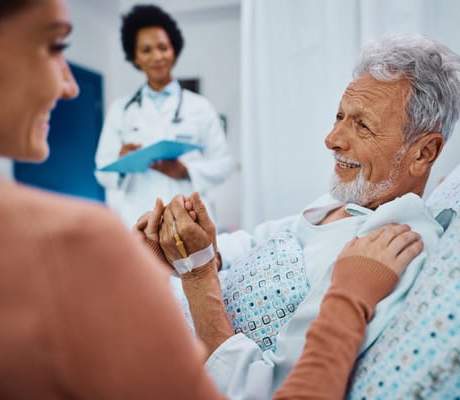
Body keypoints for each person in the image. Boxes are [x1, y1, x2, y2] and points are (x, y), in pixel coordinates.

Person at [0, 1, 424, 399]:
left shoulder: (197, 110)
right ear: (134, 58)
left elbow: (224, 171)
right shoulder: (85, 232)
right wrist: (193, 270)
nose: (70, 86)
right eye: (55, 44)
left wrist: (187, 188)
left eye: (361, 126)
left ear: (425, 152)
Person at [140, 34, 460, 399]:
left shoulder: (386, 249)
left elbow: (266, 389)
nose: (331, 138)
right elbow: (261, 240)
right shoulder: (341, 202)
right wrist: (188, 247)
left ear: (423, 152)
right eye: (340, 116)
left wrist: (197, 274)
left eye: (362, 125)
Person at [94, 4, 234, 228]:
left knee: (197, 263)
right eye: (146, 50)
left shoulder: (200, 107)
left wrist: (187, 171)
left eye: (163, 47)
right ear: (135, 57)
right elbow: (102, 169)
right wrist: (122, 163)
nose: (157, 56)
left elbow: (224, 164)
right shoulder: (120, 110)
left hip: (190, 218)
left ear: (174, 50)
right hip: (139, 218)